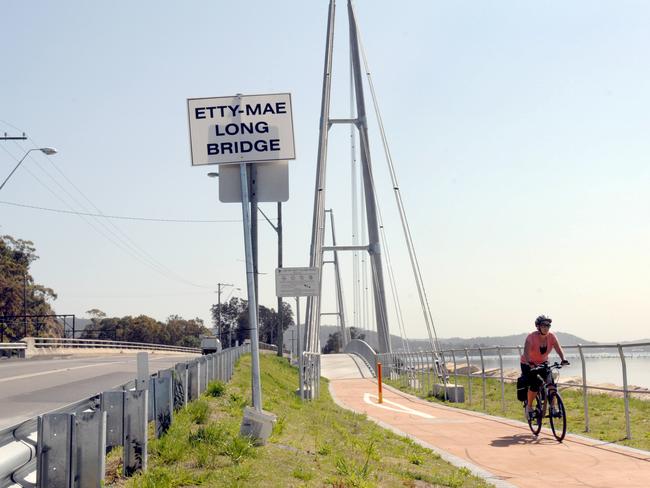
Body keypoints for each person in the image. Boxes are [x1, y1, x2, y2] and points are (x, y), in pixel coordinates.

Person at [520, 315, 569, 419]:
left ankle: (553, 407)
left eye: (548, 325)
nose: (546, 327)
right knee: (534, 384)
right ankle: (529, 407)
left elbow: (558, 348)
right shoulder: (531, 337)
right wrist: (530, 363)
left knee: (551, 385)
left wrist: (563, 359)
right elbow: (526, 351)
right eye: (543, 325)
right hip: (528, 363)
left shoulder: (552, 336)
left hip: (543, 362)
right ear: (538, 326)